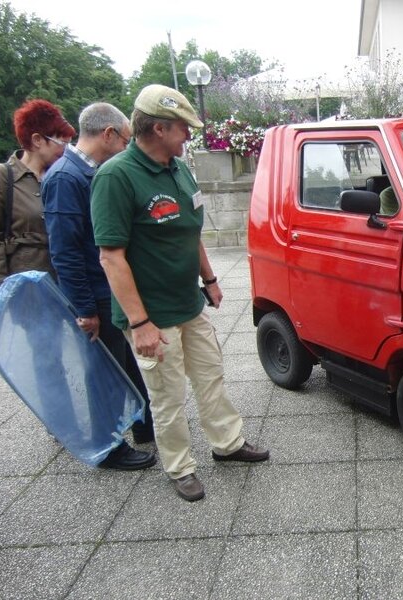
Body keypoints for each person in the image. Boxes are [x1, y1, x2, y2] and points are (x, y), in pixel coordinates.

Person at [91, 84, 269, 502]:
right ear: (156, 128)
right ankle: (180, 467)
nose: (189, 135)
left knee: (211, 378)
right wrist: (140, 323)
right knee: (167, 397)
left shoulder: (178, 168)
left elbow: (191, 230)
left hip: (189, 303)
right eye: (182, 128)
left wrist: (209, 279)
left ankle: (227, 444)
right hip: (152, 315)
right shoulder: (116, 177)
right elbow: (111, 258)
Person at [41, 102, 156, 471]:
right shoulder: (65, 178)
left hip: (108, 291)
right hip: (95, 293)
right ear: (108, 134)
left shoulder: (85, 172)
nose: (126, 146)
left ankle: (143, 422)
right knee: (103, 373)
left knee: (125, 365)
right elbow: (65, 252)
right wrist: (86, 310)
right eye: (124, 138)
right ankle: (108, 447)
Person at [0, 99, 75, 312]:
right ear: (37, 140)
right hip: (25, 296)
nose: (66, 150)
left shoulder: (60, 177)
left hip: (65, 292)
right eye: (61, 142)